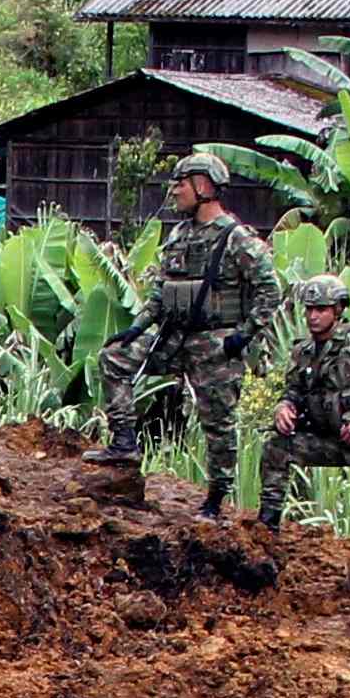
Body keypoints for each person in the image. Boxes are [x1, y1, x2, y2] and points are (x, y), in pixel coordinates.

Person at [107, 157, 275, 512]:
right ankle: (123, 441)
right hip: (174, 336)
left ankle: (216, 497)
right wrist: (138, 326)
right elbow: (161, 291)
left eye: (182, 183)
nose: (176, 190)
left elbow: (270, 291)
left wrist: (243, 336)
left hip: (217, 343)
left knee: (217, 422)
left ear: (204, 186)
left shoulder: (236, 238)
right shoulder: (180, 234)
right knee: (115, 359)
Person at [262, 272, 350, 630]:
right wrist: (284, 407)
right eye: (309, 309)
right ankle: (265, 537)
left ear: (338, 310)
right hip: (332, 437)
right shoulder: (303, 350)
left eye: (322, 309)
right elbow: (293, 389)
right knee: (277, 446)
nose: (313, 316)